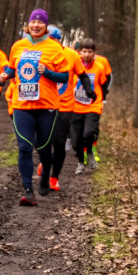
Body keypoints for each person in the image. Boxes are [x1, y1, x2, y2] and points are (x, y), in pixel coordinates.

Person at [4, 8, 91, 205]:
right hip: (22, 105)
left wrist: (48, 72)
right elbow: (11, 68)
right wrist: (5, 75)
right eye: (33, 22)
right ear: (28, 25)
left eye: (40, 22)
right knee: (25, 148)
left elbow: (64, 77)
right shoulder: (18, 46)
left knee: (43, 147)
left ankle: (45, 177)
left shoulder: (55, 48)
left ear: (46, 26)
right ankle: (28, 191)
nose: (36, 25)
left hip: (47, 106)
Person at [42, 25, 91, 191]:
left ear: (59, 40)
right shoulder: (37, 54)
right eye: (47, 39)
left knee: (59, 142)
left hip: (64, 106)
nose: (50, 42)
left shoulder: (71, 55)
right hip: (43, 104)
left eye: (53, 39)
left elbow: (83, 75)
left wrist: (89, 90)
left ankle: (54, 178)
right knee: (43, 142)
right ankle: (44, 161)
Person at [71, 38, 111, 174]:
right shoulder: (74, 66)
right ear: (79, 52)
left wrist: (103, 99)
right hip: (75, 106)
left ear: (94, 53)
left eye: (90, 52)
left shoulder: (99, 68)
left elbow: (104, 84)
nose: (87, 54)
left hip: (93, 106)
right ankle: (81, 163)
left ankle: (89, 153)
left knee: (88, 133)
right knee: (76, 141)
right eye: (84, 51)